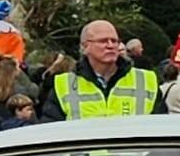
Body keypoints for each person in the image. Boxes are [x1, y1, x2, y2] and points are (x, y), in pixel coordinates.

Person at [39, 20, 167, 119]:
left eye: (114, 41)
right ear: (85, 47)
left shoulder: (146, 80)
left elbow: (161, 129)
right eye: (103, 41)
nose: (110, 45)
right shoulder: (63, 85)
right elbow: (51, 132)